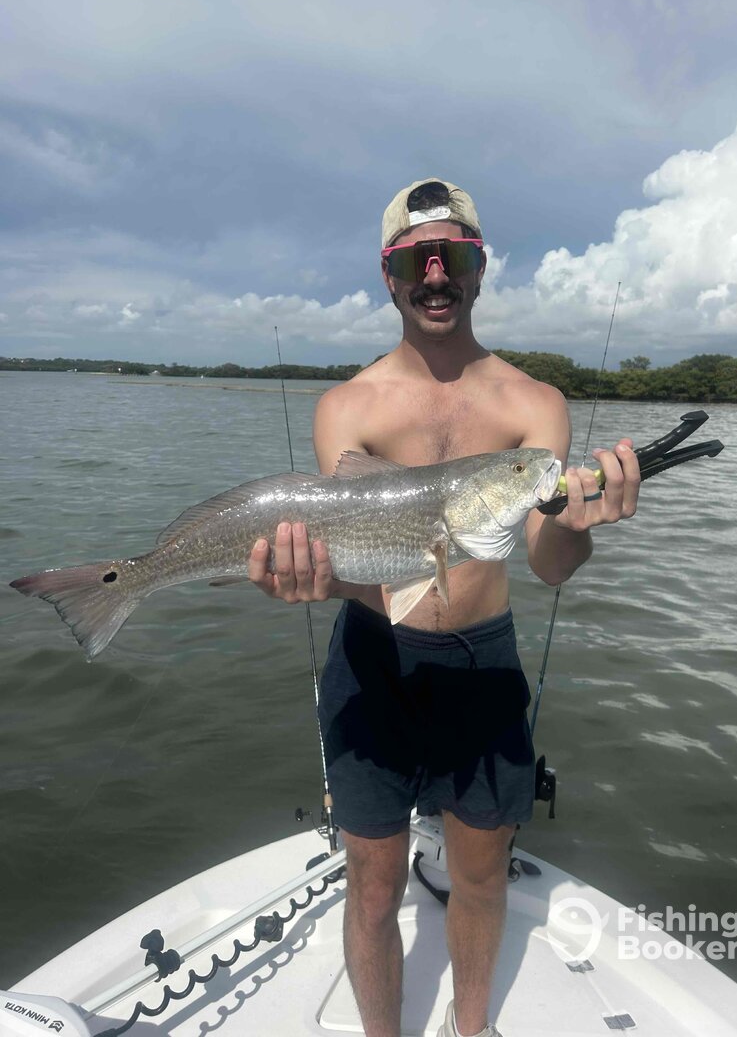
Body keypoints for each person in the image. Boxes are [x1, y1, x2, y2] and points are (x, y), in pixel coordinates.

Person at [248, 178, 640, 1037]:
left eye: (453, 255)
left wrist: (578, 526)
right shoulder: (345, 406)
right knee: (372, 883)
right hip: (372, 662)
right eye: (414, 259)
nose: (435, 274)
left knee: (483, 877)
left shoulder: (536, 404)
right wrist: (308, 580)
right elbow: (357, 562)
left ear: (479, 267)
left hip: (482, 664)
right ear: (388, 275)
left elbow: (549, 563)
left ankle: (471, 1028)